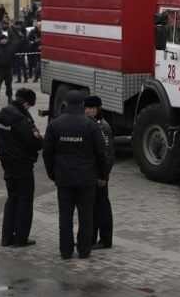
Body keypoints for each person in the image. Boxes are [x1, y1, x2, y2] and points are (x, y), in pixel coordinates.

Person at [42, 90, 107, 259]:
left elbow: (47, 152)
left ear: (66, 104)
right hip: (87, 179)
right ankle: (84, 250)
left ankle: (66, 250)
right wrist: (103, 175)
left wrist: (52, 173)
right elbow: (101, 153)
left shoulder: (55, 125)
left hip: (64, 178)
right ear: (82, 105)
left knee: (65, 217)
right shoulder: (90, 125)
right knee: (86, 217)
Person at [0, 88, 43, 247]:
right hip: (22, 164)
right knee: (25, 200)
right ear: (26, 103)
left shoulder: (1, 115)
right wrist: (39, 140)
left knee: (12, 198)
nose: (30, 109)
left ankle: (6, 237)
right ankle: (21, 238)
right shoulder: (20, 119)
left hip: (7, 163)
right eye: (30, 106)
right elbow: (34, 142)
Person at [84, 95, 114, 250]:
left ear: (97, 109)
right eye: (86, 108)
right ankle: (91, 238)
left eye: (90, 108)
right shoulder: (90, 124)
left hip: (100, 176)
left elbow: (107, 154)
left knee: (102, 207)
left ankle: (105, 239)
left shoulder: (102, 127)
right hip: (92, 174)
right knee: (93, 207)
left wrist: (104, 176)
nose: (87, 111)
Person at [0, 31, 19, 106]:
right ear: (0, 40)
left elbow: (14, 57)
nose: (4, 40)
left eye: (5, 39)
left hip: (8, 68)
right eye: (2, 39)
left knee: (9, 85)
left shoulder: (10, 47)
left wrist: (14, 66)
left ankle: (9, 98)